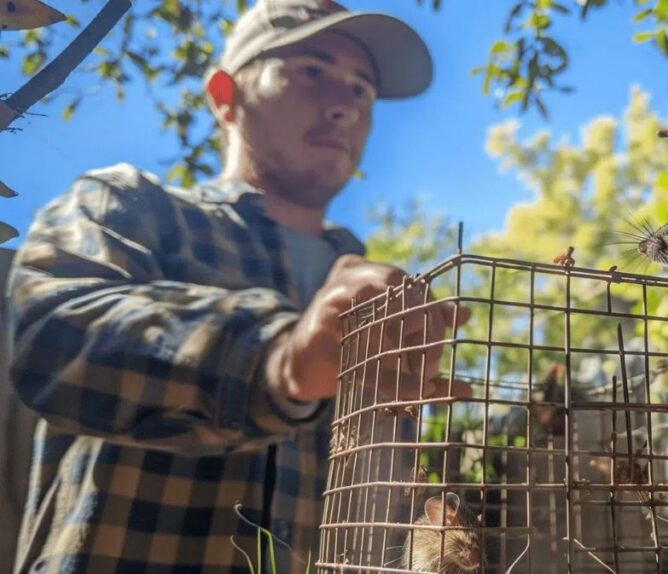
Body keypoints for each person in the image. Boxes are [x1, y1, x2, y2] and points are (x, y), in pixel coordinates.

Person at [5, 1, 468, 572]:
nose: (344, 104)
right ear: (225, 94)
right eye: (312, 71)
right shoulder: (125, 207)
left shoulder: (380, 304)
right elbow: (53, 337)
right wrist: (277, 359)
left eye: (361, 89)